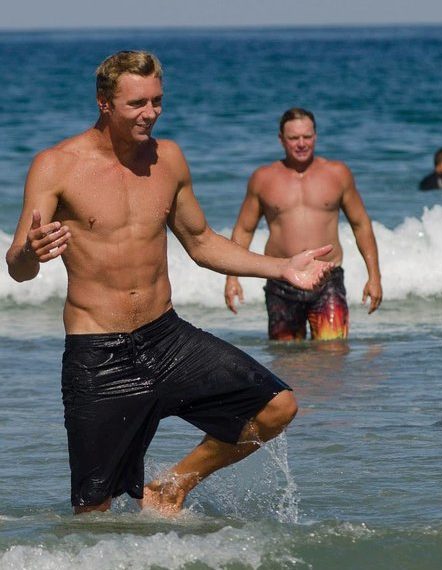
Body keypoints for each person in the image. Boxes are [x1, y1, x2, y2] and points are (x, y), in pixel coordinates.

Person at [4, 51, 335, 515]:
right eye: (137, 104)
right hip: (99, 354)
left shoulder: (168, 159)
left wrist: (281, 267)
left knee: (277, 407)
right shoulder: (56, 166)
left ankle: (173, 485)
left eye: (157, 101)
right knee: (93, 515)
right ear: (104, 102)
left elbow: (201, 242)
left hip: (167, 338)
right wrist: (31, 252)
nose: (150, 113)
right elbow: (17, 266)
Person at [224, 108, 382, 340]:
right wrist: (231, 278)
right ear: (281, 139)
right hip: (281, 280)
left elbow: (361, 225)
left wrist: (374, 277)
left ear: (315, 136)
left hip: (327, 279)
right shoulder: (263, 178)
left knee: (333, 351)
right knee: (286, 355)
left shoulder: (338, 174)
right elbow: (244, 230)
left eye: (307, 137)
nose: (301, 143)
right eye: (293, 138)